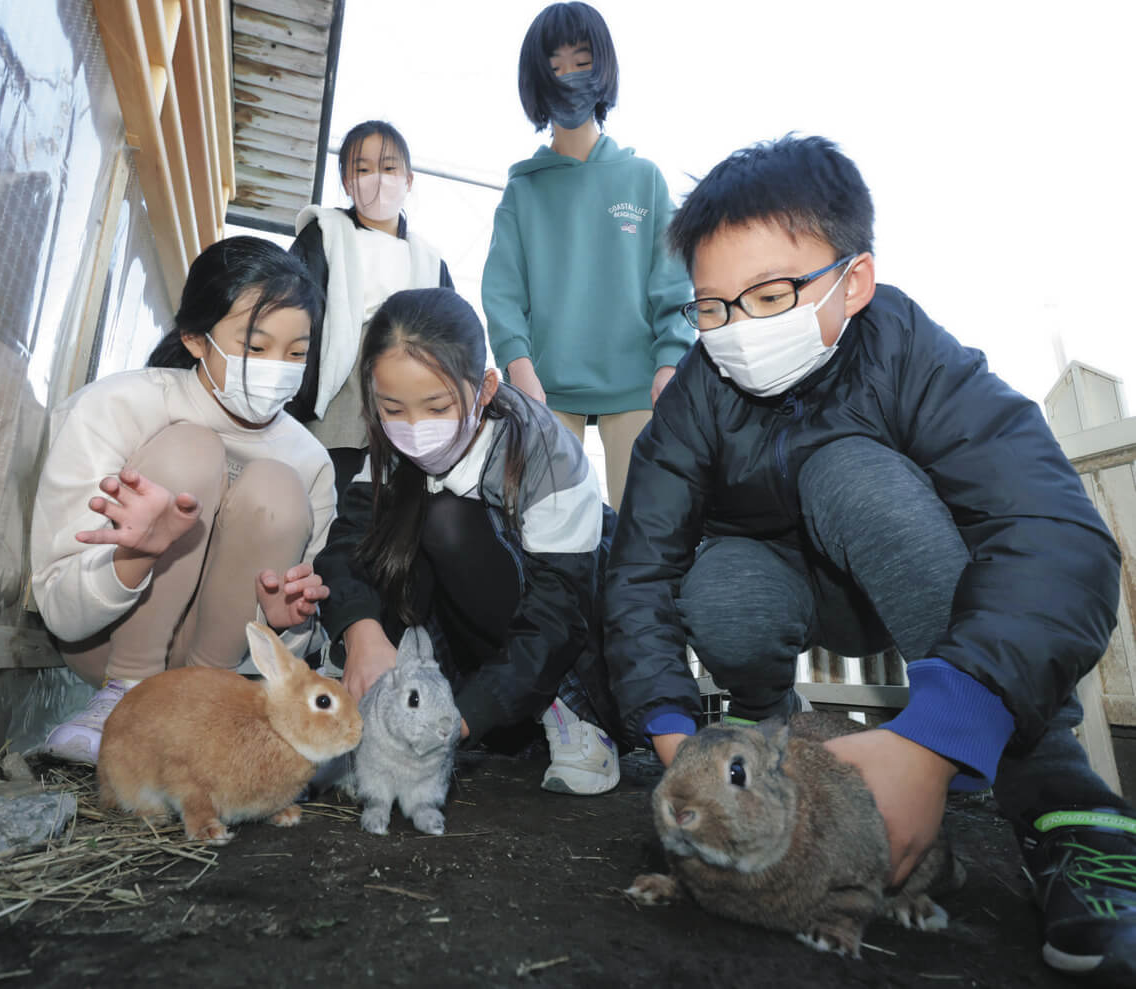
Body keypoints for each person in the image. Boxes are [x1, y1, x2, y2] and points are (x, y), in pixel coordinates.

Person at [602, 134, 1136, 983]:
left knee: (850, 473)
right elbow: (638, 569)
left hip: (920, 598)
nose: (738, 331)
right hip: (785, 597)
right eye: (712, 309)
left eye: (770, 294)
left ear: (854, 279)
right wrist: (676, 740)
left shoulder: (913, 356)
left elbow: (1056, 531)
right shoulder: (696, 397)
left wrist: (943, 730)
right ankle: (779, 747)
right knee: (719, 581)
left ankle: (1064, 803)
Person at [32, 236, 335, 765]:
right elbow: (59, 610)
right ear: (196, 339)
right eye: (256, 347)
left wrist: (287, 627)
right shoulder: (118, 406)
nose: (278, 367)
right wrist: (134, 556)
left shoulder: (310, 461)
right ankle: (126, 694)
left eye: (296, 352)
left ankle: (201, 708)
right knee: (191, 449)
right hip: (103, 646)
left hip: (222, 666)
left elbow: (297, 640)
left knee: (276, 489)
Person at [314, 287, 622, 795]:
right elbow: (347, 545)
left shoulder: (548, 457)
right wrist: (361, 634)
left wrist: (458, 719)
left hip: (560, 640)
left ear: (484, 389)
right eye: (392, 407)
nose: (413, 428)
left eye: (436, 406)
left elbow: (559, 612)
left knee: (448, 521)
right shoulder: (390, 447)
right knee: (404, 529)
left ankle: (573, 713)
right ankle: (389, 689)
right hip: (467, 645)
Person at [480, 1, 693, 512]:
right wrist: (520, 369)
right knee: (550, 532)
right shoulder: (522, 192)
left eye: (582, 61)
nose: (569, 77)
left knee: (642, 532)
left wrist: (670, 362)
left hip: (638, 385)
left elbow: (673, 285)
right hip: (547, 390)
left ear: (604, 68)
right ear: (536, 79)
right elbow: (503, 293)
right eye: (554, 67)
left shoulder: (643, 178)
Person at [288, 120, 453, 504]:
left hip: (403, 399)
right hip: (337, 396)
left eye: (389, 167)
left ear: (409, 179)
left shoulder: (429, 260)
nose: (377, 179)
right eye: (362, 169)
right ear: (346, 181)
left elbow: (449, 335)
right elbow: (293, 305)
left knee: (384, 505)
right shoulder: (324, 233)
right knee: (322, 497)